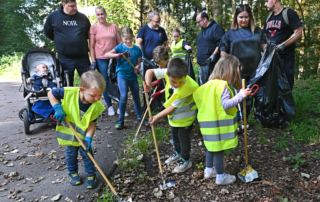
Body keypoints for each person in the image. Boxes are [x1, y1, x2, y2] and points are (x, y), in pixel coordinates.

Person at [193, 54, 252, 185]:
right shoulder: (222, 87)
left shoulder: (208, 85)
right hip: (217, 125)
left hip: (206, 124)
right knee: (218, 150)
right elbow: (225, 104)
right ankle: (221, 177)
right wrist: (241, 95)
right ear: (230, 71)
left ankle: (209, 170)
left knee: (210, 146)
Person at [47, 71, 106, 189]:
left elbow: (92, 124)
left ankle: (91, 174)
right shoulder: (68, 92)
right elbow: (50, 94)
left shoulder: (97, 106)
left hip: (83, 134)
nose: (97, 99)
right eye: (93, 95)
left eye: (100, 95)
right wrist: (57, 107)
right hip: (69, 132)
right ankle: (72, 173)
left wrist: (89, 138)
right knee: (71, 154)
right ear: (82, 90)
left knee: (87, 153)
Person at [145, 58, 199, 173]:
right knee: (175, 136)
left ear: (186, 75)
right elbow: (149, 72)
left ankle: (186, 160)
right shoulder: (168, 72)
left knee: (183, 139)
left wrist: (157, 117)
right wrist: (148, 85)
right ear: (167, 74)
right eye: (173, 81)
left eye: (180, 81)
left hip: (185, 119)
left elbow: (171, 107)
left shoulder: (186, 89)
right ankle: (178, 153)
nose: (177, 85)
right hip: (174, 118)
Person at [219, 4, 266, 129]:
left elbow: (263, 47)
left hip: (255, 70)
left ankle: (248, 120)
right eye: (241, 17)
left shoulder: (257, 31)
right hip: (237, 70)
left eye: (246, 17)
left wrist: (272, 47)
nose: (243, 20)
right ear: (236, 18)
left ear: (250, 17)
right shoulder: (230, 33)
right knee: (239, 96)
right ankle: (238, 121)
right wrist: (227, 65)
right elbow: (223, 50)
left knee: (251, 95)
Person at [105, 27, 147, 129]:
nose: (128, 41)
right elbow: (107, 54)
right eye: (126, 39)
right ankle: (121, 120)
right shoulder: (120, 47)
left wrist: (137, 67)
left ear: (133, 37)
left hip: (132, 76)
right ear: (122, 38)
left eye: (130, 38)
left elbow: (138, 63)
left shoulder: (137, 49)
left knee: (136, 96)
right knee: (123, 96)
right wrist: (118, 55)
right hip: (122, 75)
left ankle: (140, 117)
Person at [44, 0, 91, 86]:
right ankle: (68, 99)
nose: (75, 8)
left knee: (89, 82)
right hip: (64, 57)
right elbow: (47, 32)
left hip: (82, 57)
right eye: (71, 6)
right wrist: (60, 41)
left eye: (75, 5)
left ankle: (88, 99)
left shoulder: (82, 17)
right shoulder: (53, 17)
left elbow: (89, 33)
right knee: (66, 84)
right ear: (64, 5)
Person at [89, 6, 122, 117]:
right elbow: (92, 46)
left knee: (117, 80)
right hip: (101, 58)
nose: (100, 16)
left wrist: (123, 56)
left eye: (102, 14)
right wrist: (93, 61)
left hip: (114, 58)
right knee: (105, 82)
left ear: (105, 14)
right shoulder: (93, 28)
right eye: (98, 14)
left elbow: (120, 43)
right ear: (96, 15)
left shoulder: (114, 27)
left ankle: (120, 106)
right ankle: (109, 106)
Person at [264, 0, 302, 90]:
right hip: (271, 59)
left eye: (266, 1)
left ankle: (286, 104)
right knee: (272, 88)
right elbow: (265, 36)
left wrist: (284, 45)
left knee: (286, 87)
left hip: (286, 59)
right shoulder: (268, 18)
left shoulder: (290, 14)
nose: (265, 4)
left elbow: (298, 32)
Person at [196, 12, 225, 85]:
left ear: (205, 19)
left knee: (212, 88)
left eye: (199, 22)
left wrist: (213, 56)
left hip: (213, 66)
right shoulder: (201, 32)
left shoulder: (216, 28)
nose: (198, 24)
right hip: (203, 66)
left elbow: (221, 44)